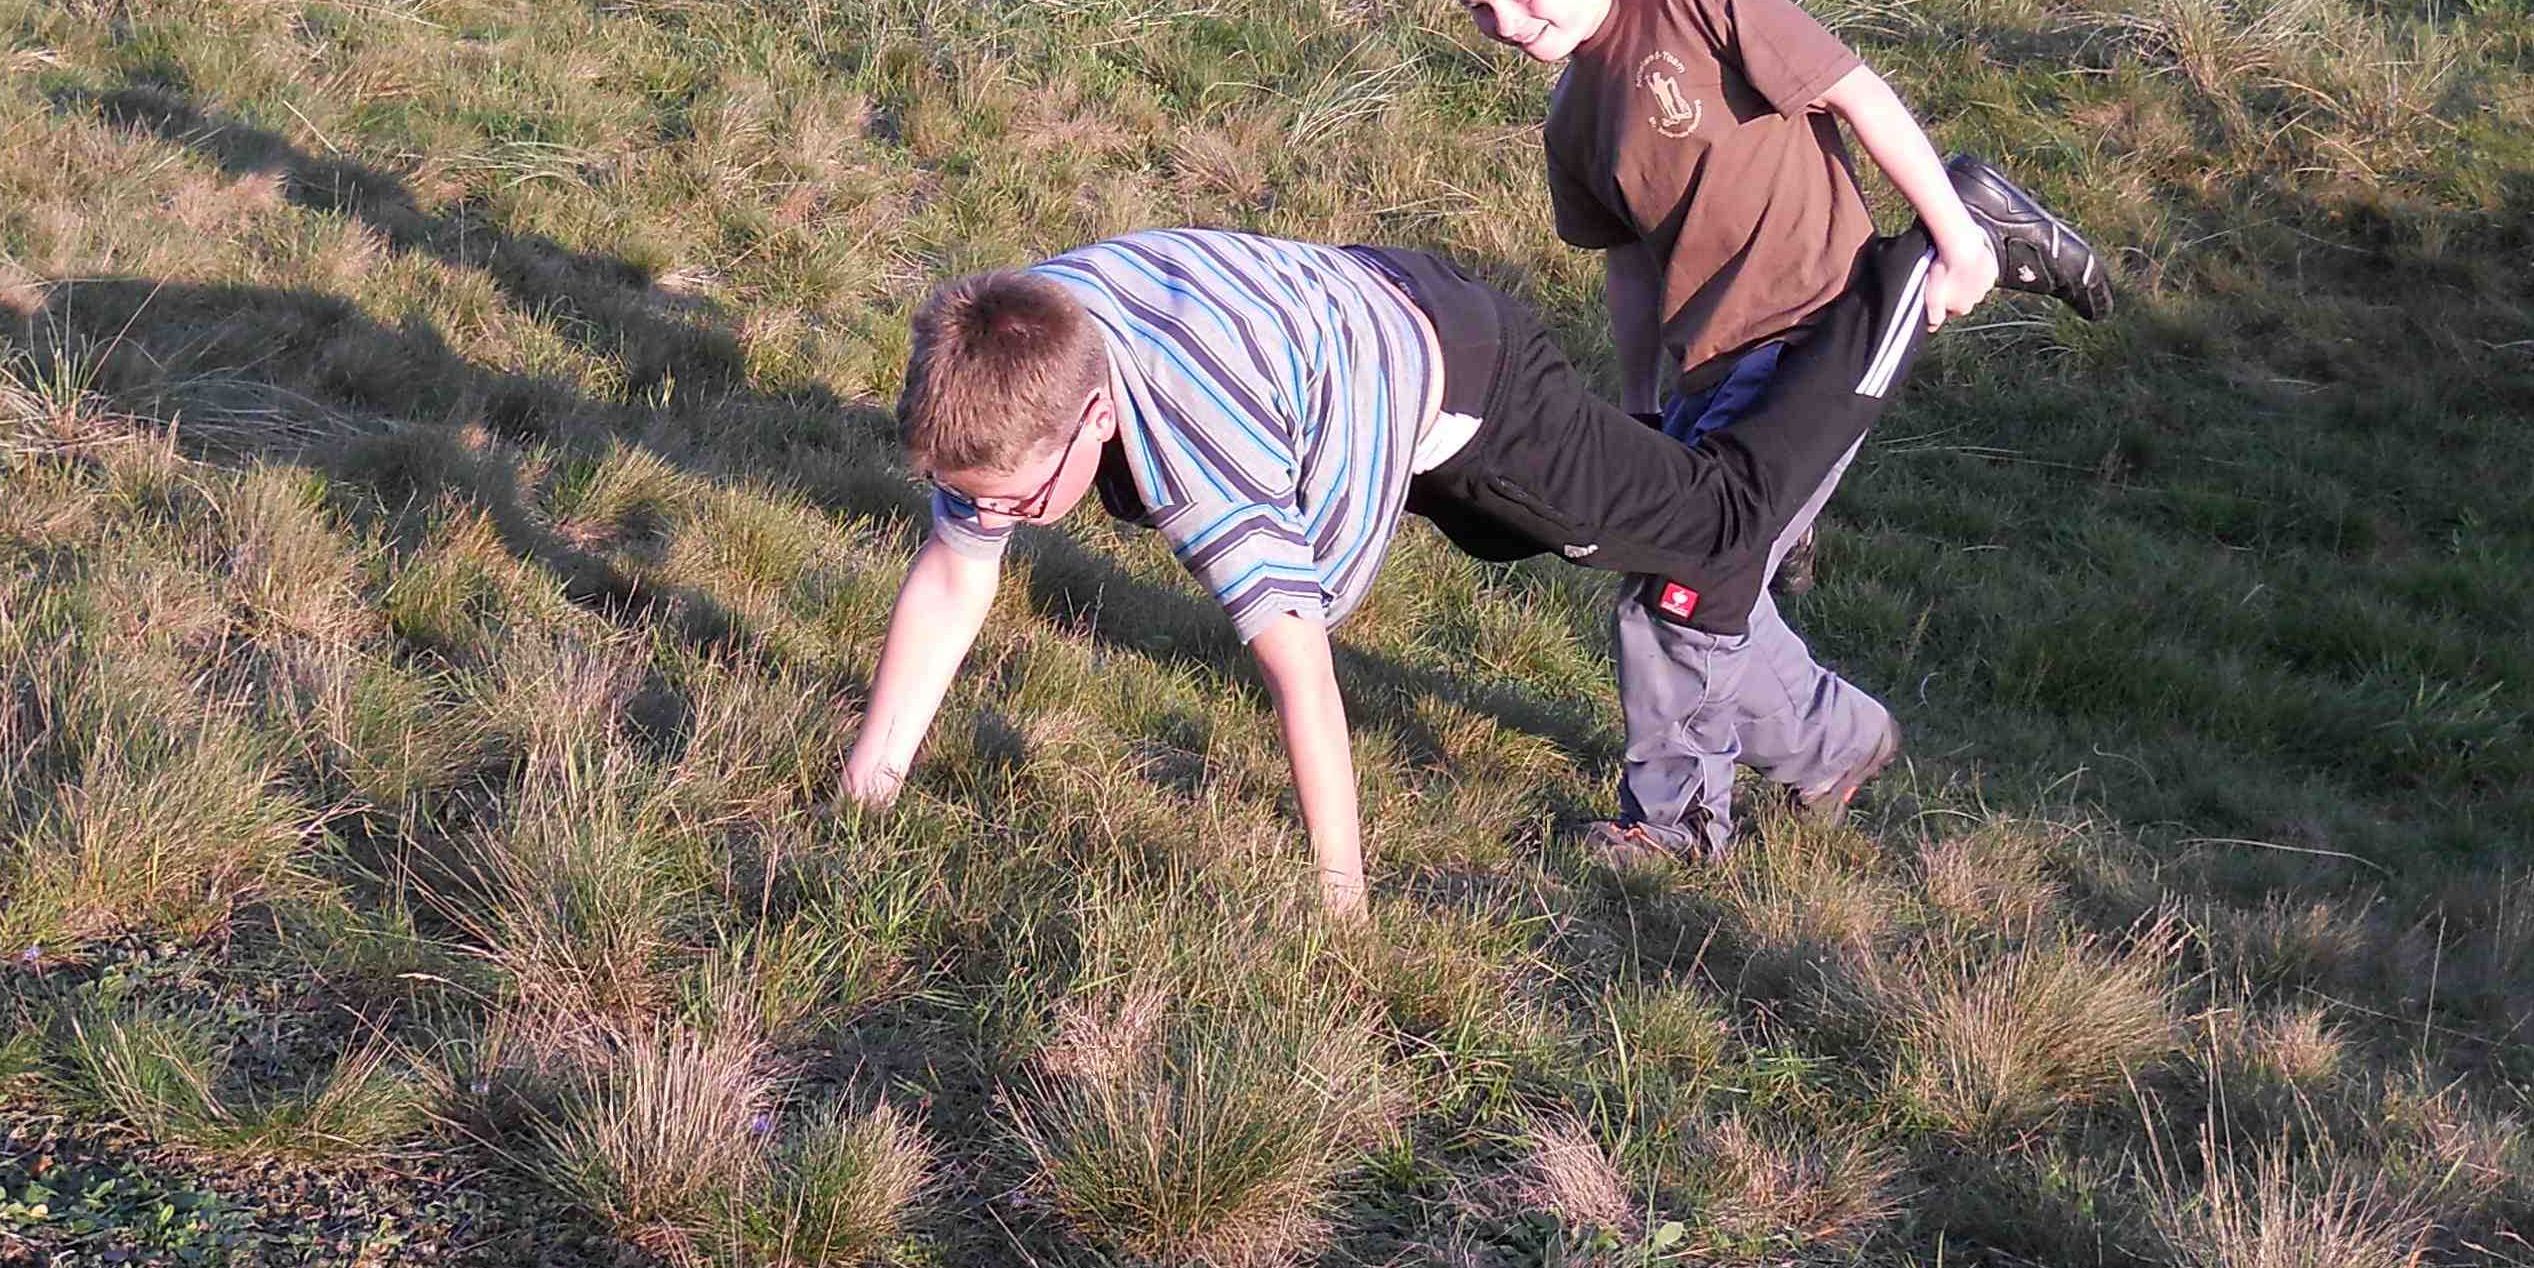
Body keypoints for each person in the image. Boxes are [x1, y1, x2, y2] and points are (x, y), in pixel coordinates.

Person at [835, 198, 2099, 919]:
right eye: (980, 498)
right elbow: (952, 574)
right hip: (1357, 338)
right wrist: (867, 791)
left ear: (1097, 415)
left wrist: (1340, 907)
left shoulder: (1202, 442)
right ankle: (1839, 745)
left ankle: (1917, 263)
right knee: (1664, 547)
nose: (1004, 518)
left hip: (1464, 376)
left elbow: (1301, 674)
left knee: (1716, 527)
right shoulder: (1012, 351)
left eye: (1021, 497)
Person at [1432, 0, 2115, 864]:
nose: (1508, 24)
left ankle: (1678, 823)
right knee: (1694, 581)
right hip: (1709, 375)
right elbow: (1630, 268)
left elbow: (1853, 92)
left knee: (1682, 587)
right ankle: (1837, 746)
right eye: (1479, 9)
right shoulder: (1572, 120)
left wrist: (1955, 240)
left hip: (1822, 322)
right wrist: (1643, 404)